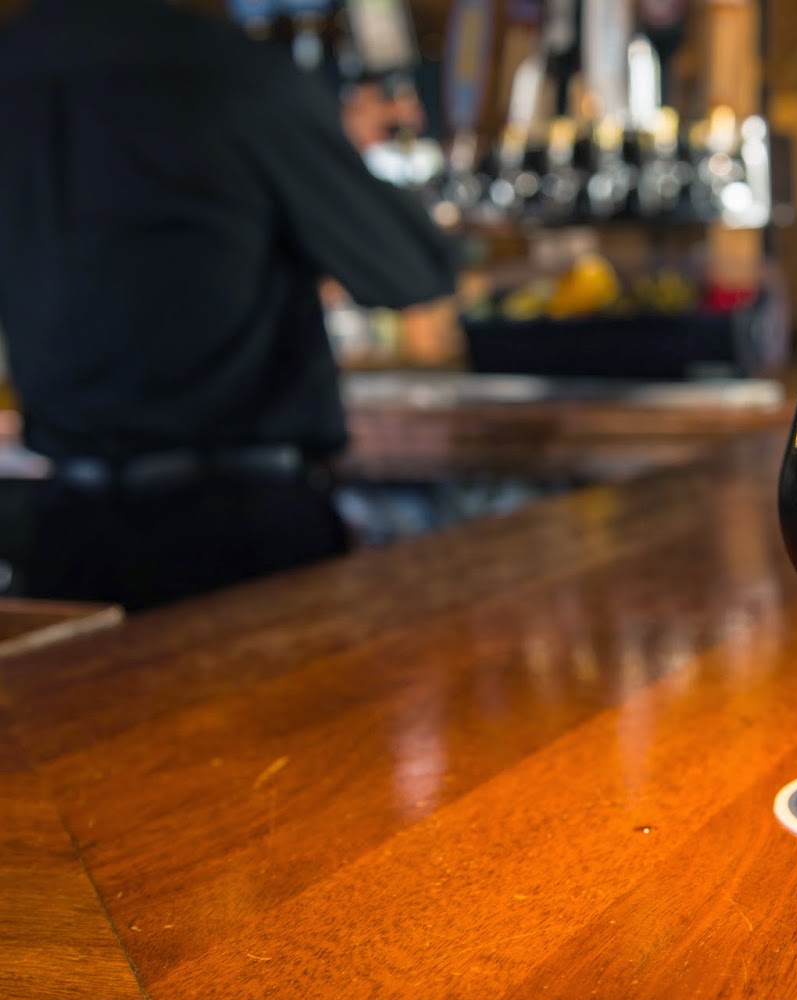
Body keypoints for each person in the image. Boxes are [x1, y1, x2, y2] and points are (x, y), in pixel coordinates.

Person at [0, 0, 458, 610]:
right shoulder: (234, 76)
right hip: (240, 531)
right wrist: (335, 145)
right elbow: (410, 269)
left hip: (68, 532)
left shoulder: (16, 71)